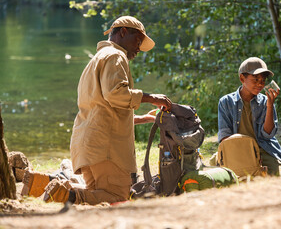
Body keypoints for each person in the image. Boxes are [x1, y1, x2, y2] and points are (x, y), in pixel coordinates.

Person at [22, 16, 172, 205]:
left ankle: (41, 183)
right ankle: (66, 195)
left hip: (87, 145)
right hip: (105, 148)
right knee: (119, 195)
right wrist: (152, 98)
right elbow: (116, 93)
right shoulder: (116, 56)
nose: (138, 48)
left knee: (97, 192)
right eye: (137, 40)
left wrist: (142, 118)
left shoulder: (96, 59)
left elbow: (102, 108)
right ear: (123, 32)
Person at [217, 57, 281, 176]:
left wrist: (270, 106)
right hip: (237, 152)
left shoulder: (265, 101)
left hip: (263, 150)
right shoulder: (226, 102)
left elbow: (268, 134)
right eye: (255, 79)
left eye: (263, 80)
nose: (260, 84)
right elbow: (225, 138)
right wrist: (249, 155)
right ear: (242, 78)